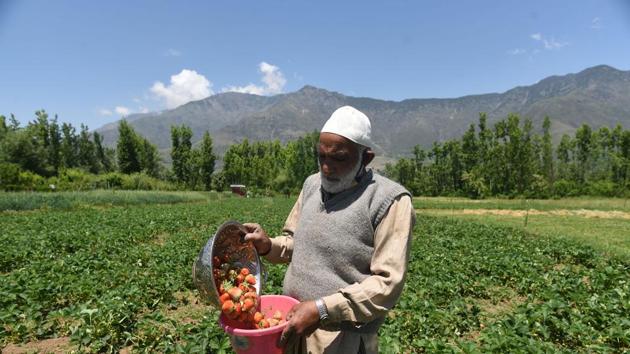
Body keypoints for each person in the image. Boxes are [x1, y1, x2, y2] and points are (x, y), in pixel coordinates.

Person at [244, 105, 415, 354]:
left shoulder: (390, 200)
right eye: (322, 156)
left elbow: (387, 285)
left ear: (365, 158)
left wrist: (322, 309)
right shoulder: (313, 185)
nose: (326, 167)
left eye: (339, 158)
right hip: (291, 326)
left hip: (341, 340)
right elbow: (295, 242)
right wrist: (268, 245)